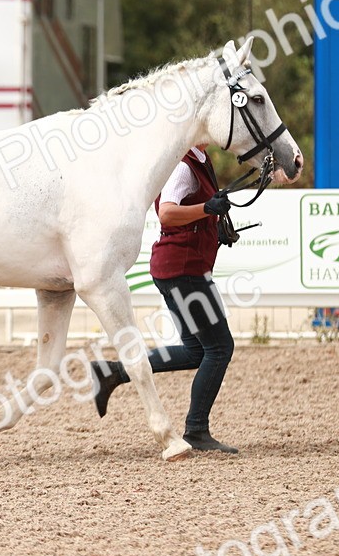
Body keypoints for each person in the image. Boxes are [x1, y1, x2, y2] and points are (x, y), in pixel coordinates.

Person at [90, 143, 239, 454]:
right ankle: (196, 429)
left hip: (181, 267)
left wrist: (213, 226)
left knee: (196, 350)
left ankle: (113, 372)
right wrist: (206, 210)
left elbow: (193, 211)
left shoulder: (199, 158)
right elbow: (167, 213)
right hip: (184, 270)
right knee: (219, 347)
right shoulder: (183, 165)